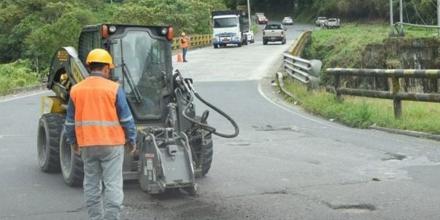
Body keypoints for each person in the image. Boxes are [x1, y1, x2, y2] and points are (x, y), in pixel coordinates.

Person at [64, 48, 137, 220]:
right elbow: (126, 118)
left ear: (90, 67)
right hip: (112, 145)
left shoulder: (76, 89)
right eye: (109, 69)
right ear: (105, 68)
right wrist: (132, 139)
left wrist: (73, 142)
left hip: (87, 145)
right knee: (112, 184)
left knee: (91, 184)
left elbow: (69, 122)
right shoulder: (113, 88)